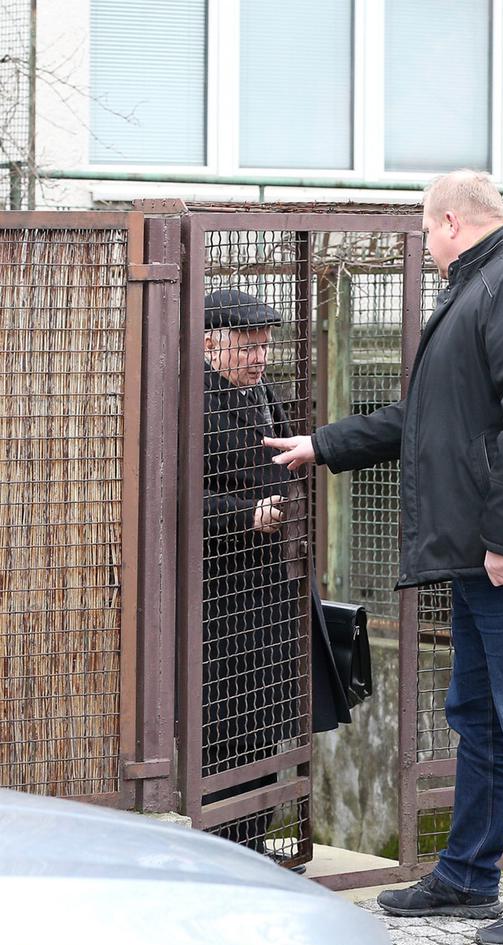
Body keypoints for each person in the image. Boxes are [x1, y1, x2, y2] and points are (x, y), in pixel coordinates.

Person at [265, 170, 503, 945]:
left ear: (451, 221)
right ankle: (468, 877)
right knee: (482, 721)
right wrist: (323, 444)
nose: (424, 243)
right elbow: (426, 419)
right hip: (484, 556)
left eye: (425, 230)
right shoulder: (482, 287)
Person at [203, 288, 350, 854]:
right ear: (211, 345)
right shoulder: (196, 402)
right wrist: (248, 515)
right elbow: (178, 500)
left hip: (279, 587)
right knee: (227, 726)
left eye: (264, 346)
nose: (259, 357)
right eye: (247, 346)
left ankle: (255, 843)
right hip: (224, 594)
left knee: (272, 721)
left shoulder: (268, 393)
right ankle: (223, 846)